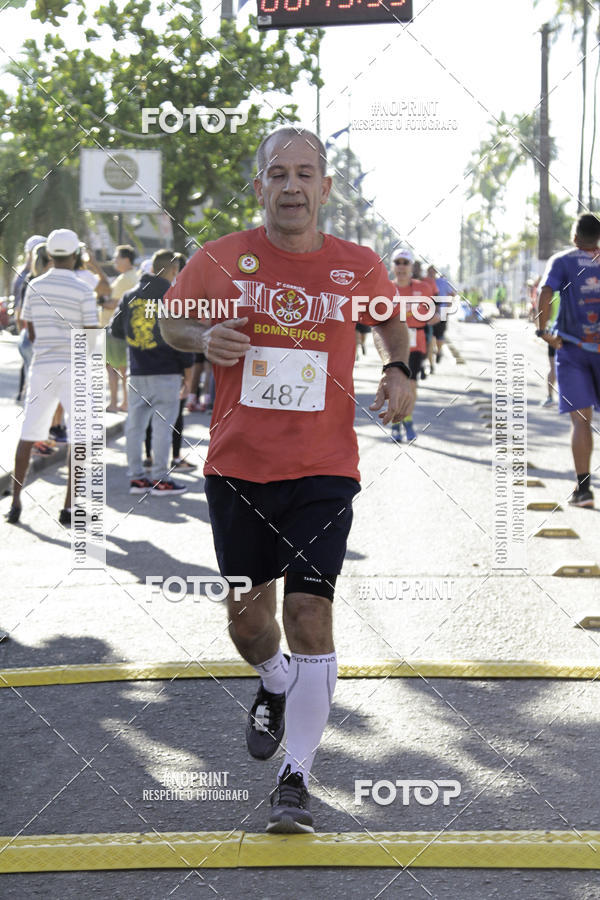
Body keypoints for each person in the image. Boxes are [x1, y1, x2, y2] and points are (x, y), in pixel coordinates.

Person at [160, 126, 412, 833]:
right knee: (248, 619)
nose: (292, 186)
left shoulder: (356, 264)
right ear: (260, 185)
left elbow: (392, 324)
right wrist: (203, 339)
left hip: (325, 469)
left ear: (325, 189)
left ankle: (295, 776)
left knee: (309, 612)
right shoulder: (220, 258)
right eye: (279, 174)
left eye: (306, 174)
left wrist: (399, 367)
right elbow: (171, 321)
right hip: (239, 466)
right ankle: (271, 680)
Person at [6, 228, 98, 525]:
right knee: (78, 438)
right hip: (75, 368)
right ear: (76, 256)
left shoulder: (35, 286)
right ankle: (69, 507)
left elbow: (29, 330)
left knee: (29, 434)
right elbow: (92, 335)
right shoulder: (84, 290)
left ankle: (15, 501)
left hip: (43, 365)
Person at [110, 249, 193, 495]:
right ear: (175, 270)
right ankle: (159, 479)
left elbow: (115, 331)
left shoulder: (130, 296)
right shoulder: (173, 297)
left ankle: (136, 478)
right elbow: (182, 341)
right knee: (162, 429)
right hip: (166, 372)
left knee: (135, 428)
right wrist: (188, 378)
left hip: (137, 371)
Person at [536, 213, 600, 507]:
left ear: (575, 237)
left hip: (572, 348)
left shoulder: (562, 261)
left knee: (581, 420)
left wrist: (542, 330)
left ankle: (584, 489)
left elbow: (545, 291)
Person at [390, 247, 438, 442]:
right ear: (393, 266)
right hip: (393, 342)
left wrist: (432, 317)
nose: (401, 267)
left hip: (416, 342)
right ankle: (395, 422)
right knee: (394, 384)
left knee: (410, 385)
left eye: (405, 262)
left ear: (411, 267)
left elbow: (433, 316)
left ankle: (407, 420)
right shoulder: (385, 287)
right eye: (398, 262)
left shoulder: (423, 288)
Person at [104, 245, 138, 412]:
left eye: (117, 257)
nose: (114, 261)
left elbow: (114, 303)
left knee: (112, 367)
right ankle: (124, 402)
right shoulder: (134, 276)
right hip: (126, 328)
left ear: (126, 259)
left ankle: (115, 403)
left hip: (114, 328)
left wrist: (99, 302)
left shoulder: (124, 279)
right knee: (124, 367)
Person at [13, 235, 46, 401]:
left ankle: (23, 395)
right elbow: (21, 311)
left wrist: (23, 334)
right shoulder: (28, 278)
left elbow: (19, 312)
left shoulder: (22, 276)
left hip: (27, 334)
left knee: (29, 371)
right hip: (34, 335)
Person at [429, 266, 455, 363]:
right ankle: (431, 359)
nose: (431, 274)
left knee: (439, 335)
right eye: (429, 272)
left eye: (433, 272)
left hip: (442, 312)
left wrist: (448, 305)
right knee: (430, 335)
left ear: (436, 272)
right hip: (428, 313)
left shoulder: (443, 282)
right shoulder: (424, 282)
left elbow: (452, 293)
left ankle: (439, 351)